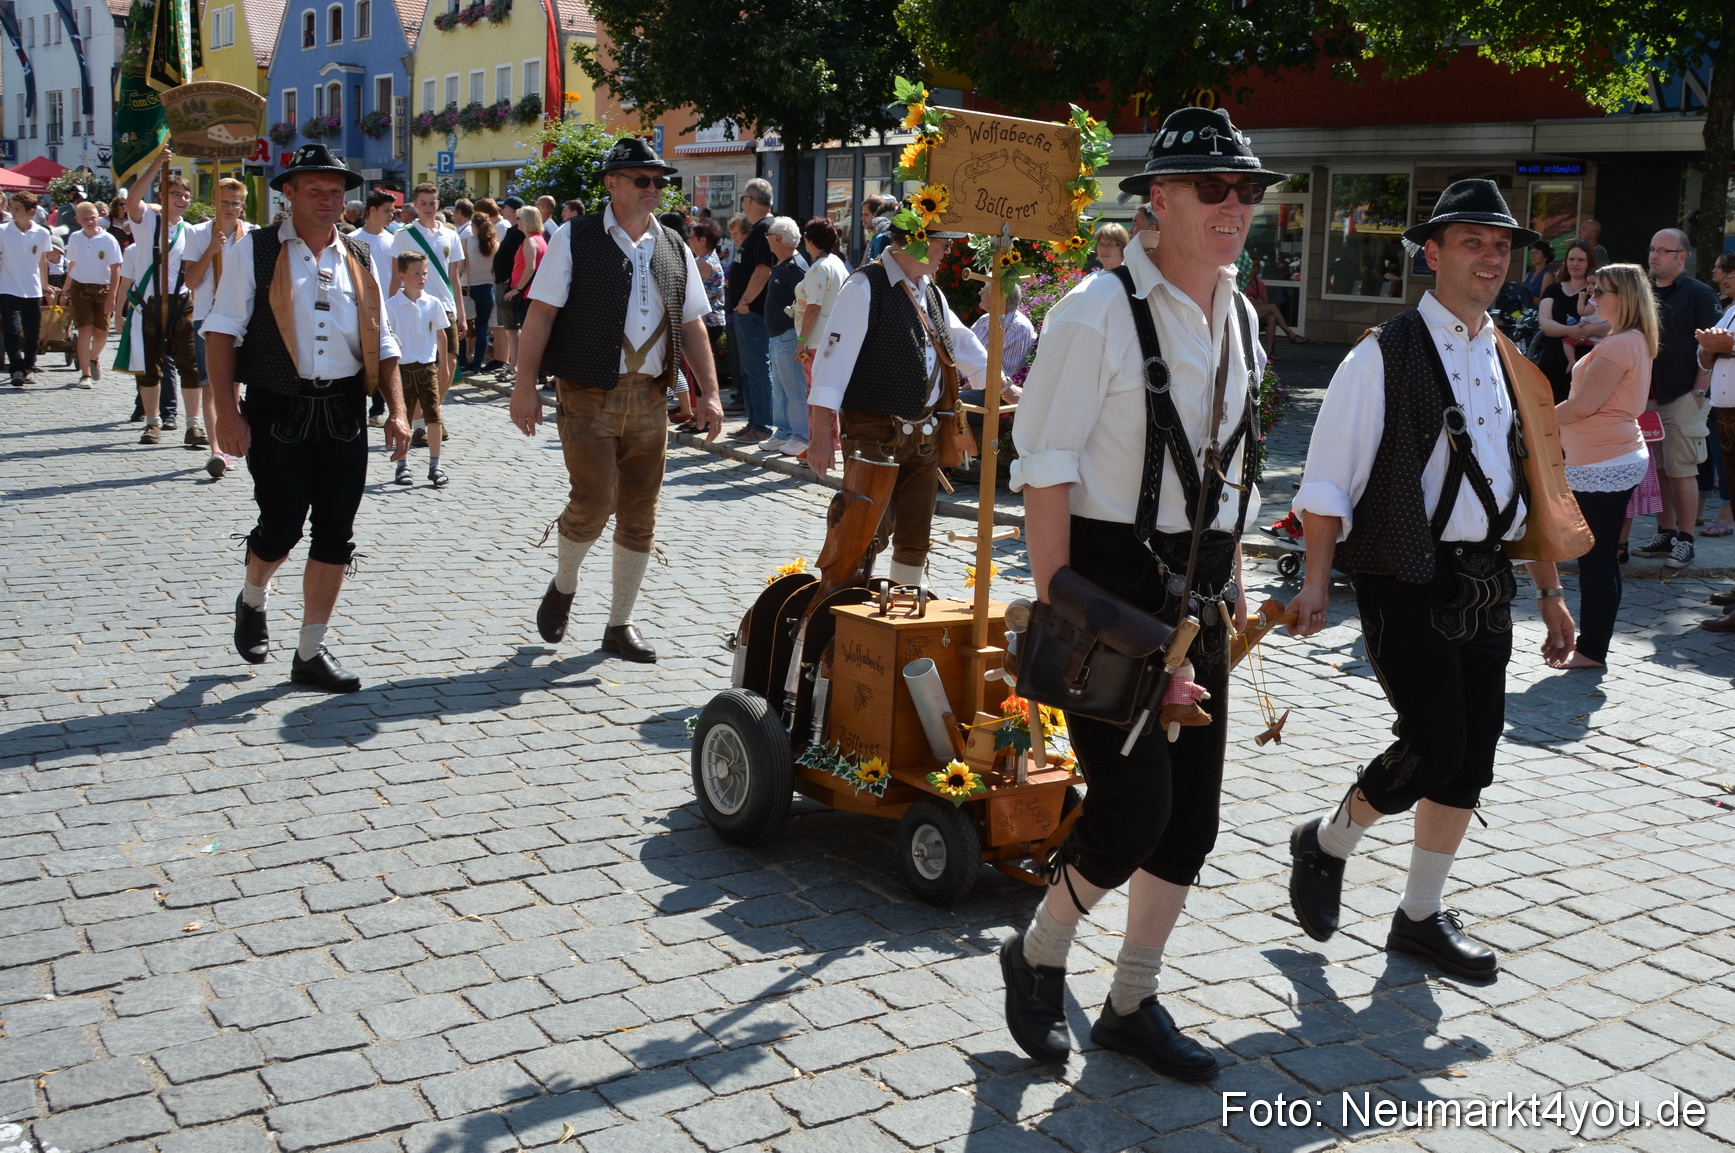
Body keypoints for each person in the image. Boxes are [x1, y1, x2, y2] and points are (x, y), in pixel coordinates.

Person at [999, 106, 1269, 1077]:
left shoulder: (1239, 310)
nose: (1234, 203)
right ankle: (1036, 951)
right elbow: (1043, 469)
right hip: (1107, 581)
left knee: (1189, 818)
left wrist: (1230, 577)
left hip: (1199, 588)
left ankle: (1130, 999)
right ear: (1156, 201)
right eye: (1213, 186)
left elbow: (1227, 462)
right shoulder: (1092, 311)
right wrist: (1068, 608)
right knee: (1129, 810)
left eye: (1246, 188)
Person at [1285, 179, 1583, 982]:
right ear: (1433, 251)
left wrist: (1552, 593)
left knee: (1472, 756)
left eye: (1500, 246)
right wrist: (1315, 581)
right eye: (1471, 242)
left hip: (1489, 578)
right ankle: (1324, 841)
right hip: (1403, 573)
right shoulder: (1378, 354)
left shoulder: (1509, 359)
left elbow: (1533, 487)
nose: (1490, 257)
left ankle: (1418, 916)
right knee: (1435, 740)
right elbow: (1324, 482)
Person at [509, 136, 725, 662]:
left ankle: (619, 624)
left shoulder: (673, 244)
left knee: (640, 512)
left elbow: (694, 322)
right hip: (586, 392)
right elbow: (541, 314)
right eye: (641, 179)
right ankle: (564, 583)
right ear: (612, 184)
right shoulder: (575, 237)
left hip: (650, 398)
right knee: (594, 500)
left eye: (658, 181)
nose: (653, 188)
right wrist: (524, 384)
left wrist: (711, 394)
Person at [204, 143, 407, 692]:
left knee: (336, 532)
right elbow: (221, 333)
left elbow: (384, 341)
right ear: (287, 194)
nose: (327, 199)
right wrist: (227, 413)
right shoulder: (256, 251)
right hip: (277, 407)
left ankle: (310, 653)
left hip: (343, 408)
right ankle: (253, 594)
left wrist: (398, 410)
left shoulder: (361, 258)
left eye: (336, 191)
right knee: (282, 526)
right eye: (314, 189)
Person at [807, 204, 988, 590]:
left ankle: (901, 613)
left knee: (915, 536)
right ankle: (843, 611)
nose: (947, 251)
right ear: (918, 242)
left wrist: (1002, 383)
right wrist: (821, 434)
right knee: (864, 529)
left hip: (923, 436)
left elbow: (962, 343)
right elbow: (831, 366)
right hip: (875, 432)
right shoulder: (864, 286)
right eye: (942, 242)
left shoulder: (931, 292)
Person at [1551, 264, 1658, 667]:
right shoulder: (1630, 338)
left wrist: (1529, 420)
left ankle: (1592, 649)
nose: (1593, 299)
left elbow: (1582, 407)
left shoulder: (1621, 343)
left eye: (1601, 292)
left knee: (1596, 560)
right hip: (1608, 455)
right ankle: (1592, 646)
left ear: (1625, 296)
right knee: (1601, 558)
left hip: (1604, 459)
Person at [1631, 229, 1720, 570]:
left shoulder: (1699, 293)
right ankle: (1665, 532)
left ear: (1681, 257)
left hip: (1683, 394)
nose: (1654, 256)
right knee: (1659, 470)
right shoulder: (1643, 292)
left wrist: (1699, 392)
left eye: (1663, 251)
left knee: (1682, 469)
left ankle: (1685, 540)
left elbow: (1713, 347)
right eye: (1652, 249)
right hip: (1645, 397)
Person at [116, 157, 209, 443]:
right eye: (175, 194)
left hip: (182, 304)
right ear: (161, 195)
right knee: (149, 368)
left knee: (190, 368)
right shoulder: (146, 223)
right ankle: (152, 422)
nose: (182, 199)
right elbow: (132, 197)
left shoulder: (191, 231)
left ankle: (193, 425)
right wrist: (157, 164)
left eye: (186, 195)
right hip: (149, 305)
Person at [181, 178, 255, 478]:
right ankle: (216, 450)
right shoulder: (198, 233)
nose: (230, 208)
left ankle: (232, 439)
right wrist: (211, 250)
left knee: (236, 386)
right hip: (208, 317)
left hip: (243, 317)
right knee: (212, 384)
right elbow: (190, 281)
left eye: (236, 203)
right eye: (225, 202)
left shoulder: (252, 235)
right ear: (214, 202)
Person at [390, 182, 467, 445]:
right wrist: (392, 308)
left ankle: (430, 414)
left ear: (438, 204)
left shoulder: (450, 235)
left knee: (450, 363)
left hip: (444, 304)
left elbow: (454, 277)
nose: (428, 207)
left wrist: (462, 312)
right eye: (422, 203)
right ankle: (423, 420)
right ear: (415, 205)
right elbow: (394, 276)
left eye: (432, 203)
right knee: (420, 364)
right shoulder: (404, 234)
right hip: (414, 304)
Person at [385, 252, 452, 487]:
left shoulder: (433, 303)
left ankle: (436, 465)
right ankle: (402, 465)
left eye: (424, 273)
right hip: (402, 369)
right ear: (402, 276)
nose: (422, 277)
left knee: (434, 416)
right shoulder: (391, 305)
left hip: (426, 368)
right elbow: (387, 339)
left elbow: (441, 334)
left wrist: (443, 365)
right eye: (416, 273)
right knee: (403, 417)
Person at [1692, 300, 1735, 630]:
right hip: (1726, 415)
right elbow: (1705, 359)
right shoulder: (1732, 309)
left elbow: (1725, 347)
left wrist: (1728, 346)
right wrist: (1708, 350)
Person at [727, 178, 778, 440]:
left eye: (744, 199)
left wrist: (745, 302)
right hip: (750, 312)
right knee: (751, 370)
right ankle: (754, 421)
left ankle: (762, 425)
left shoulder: (765, 229)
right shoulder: (760, 228)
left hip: (754, 312)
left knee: (758, 370)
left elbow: (763, 270)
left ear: (749, 200)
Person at [761, 215, 811, 455]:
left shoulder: (795, 267)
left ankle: (802, 435)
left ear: (777, 239)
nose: (767, 240)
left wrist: (801, 341)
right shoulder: (783, 264)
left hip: (789, 335)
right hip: (778, 335)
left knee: (794, 389)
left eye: (768, 236)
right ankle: (782, 431)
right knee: (779, 389)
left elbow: (808, 303)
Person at [1534, 242, 1606, 403]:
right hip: (1552, 362)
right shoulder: (1553, 289)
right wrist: (1570, 331)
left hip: (1587, 365)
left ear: (1589, 263)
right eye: (1571, 259)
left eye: (1581, 260)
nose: (1575, 263)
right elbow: (1545, 323)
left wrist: (1586, 330)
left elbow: (1611, 326)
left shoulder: (1598, 292)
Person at [64, 201, 123, 390]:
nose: (90, 221)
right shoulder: (74, 238)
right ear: (78, 220)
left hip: (103, 289)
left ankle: (93, 357)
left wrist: (112, 296)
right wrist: (66, 285)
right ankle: (85, 374)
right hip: (80, 287)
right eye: (85, 218)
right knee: (85, 331)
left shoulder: (108, 240)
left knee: (102, 333)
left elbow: (116, 269)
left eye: (93, 217)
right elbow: (72, 262)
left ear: (99, 217)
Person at [0, 191, 53, 387]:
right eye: (11, 208)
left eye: (17, 209)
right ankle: (16, 369)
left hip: (32, 289)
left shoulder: (42, 233)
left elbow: (42, 259)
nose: (12, 212)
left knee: (32, 334)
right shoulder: (3, 231)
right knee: (12, 331)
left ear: (30, 211)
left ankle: (29, 367)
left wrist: (45, 284)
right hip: (8, 287)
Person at [792, 216, 847, 391]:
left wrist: (801, 341)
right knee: (830, 395)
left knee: (816, 395)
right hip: (835, 337)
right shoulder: (837, 263)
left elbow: (814, 308)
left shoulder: (818, 268)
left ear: (810, 241)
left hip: (817, 342)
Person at [501, 204, 546, 380]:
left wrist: (517, 289)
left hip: (526, 294)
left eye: (519, 218)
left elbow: (531, 267)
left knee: (528, 336)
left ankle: (529, 374)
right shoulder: (539, 239)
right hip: (532, 293)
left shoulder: (530, 241)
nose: (516, 221)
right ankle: (538, 373)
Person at [688, 216, 728, 413]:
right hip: (714, 320)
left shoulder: (702, 263)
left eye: (691, 237)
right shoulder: (712, 258)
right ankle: (697, 415)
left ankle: (699, 417)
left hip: (706, 321)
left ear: (702, 240)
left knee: (699, 369)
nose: (689, 241)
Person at [456, 198, 497, 374]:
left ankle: (463, 362)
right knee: (482, 329)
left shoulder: (466, 242)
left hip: (468, 288)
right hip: (487, 290)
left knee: (462, 327)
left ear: (473, 224)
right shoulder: (494, 244)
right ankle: (478, 366)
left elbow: (460, 268)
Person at [1245, 255, 1305, 357]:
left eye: (1257, 266)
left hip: (1258, 311)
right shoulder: (1243, 282)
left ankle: (1269, 353)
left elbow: (1266, 301)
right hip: (1247, 311)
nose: (1255, 268)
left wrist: (1259, 302)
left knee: (1272, 318)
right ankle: (1290, 334)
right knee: (1272, 307)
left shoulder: (1260, 284)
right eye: (1253, 266)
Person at [1520, 240, 1555, 308]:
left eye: (1536, 253)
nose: (1533, 255)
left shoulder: (1547, 275)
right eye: (1532, 252)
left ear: (1545, 257)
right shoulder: (1529, 274)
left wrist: (1526, 296)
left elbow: (1543, 301)